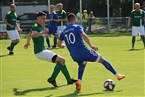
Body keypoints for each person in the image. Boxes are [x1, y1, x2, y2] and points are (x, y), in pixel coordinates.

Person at [57, 13, 125, 91]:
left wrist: (62, 46)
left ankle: (79, 81)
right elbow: (84, 35)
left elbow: (58, 44)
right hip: (84, 51)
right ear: (74, 19)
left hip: (74, 56)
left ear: (67, 21)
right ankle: (117, 75)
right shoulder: (77, 27)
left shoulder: (64, 31)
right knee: (102, 59)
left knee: (83, 63)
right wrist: (91, 46)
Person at [24, 12, 76, 87]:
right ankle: (52, 79)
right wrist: (43, 33)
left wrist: (28, 42)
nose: (44, 20)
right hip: (40, 52)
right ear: (38, 18)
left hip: (43, 50)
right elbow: (33, 35)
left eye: (45, 18)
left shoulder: (39, 26)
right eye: (43, 18)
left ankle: (69, 80)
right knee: (62, 60)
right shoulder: (36, 26)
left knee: (61, 62)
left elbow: (29, 35)